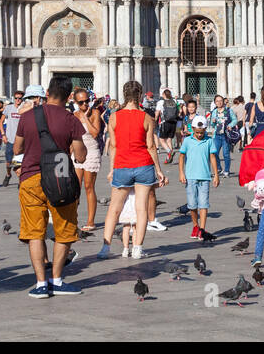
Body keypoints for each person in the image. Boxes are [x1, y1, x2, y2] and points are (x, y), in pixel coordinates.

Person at [13, 76, 87, 297]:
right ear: (69, 97)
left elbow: (17, 148)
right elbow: (81, 156)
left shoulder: (27, 117)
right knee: (64, 231)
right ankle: (57, 280)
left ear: (47, 92)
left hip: (30, 179)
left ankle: (40, 284)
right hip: (60, 177)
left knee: (34, 233)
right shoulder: (71, 119)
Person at [99, 81, 168, 260]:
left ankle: (105, 248)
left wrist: (111, 169)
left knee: (114, 208)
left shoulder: (114, 117)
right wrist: (159, 170)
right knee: (141, 209)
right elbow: (151, 146)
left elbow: (113, 146)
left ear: (124, 94)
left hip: (122, 165)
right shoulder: (146, 117)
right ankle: (137, 248)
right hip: (143, 165)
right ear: (140, 95)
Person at [179, 114, 220, 239]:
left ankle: (202, 229)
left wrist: (216, 175)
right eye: (197, 132)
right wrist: (181, 172)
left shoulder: (209, 140)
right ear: (192, 129)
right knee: (192, 205)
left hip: (205, 177)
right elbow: (181, 156)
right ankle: (195, 225)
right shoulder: (187, 141)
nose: (199, 135)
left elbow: (213, 157)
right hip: (190, 176)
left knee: (203, 204)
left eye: (202, 132)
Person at [71, 88, 102, 232]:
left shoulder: (95, 113)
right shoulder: (73, 115)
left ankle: (91, 221)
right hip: (77, 151)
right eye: (81, 102)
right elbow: (71, 138)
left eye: (87, 101)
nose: (85, 104)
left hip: (91, 151)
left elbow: (95, 133)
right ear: (75, 102)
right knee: (75, 187)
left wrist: (85, 119)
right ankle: (73, 220)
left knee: (89, 186)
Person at [1, 88, 29, 186]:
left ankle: (20, 181)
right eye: (16, 98)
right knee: (8, 162)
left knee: (20, 162)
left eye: (20, 98)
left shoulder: (25, 109)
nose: (18, 100)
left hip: (21, 141)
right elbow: (1, 122)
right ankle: (8, 175)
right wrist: (3, 135)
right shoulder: (9, 108)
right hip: (10, 139)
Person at [206, 95, 234, 177]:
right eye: (217, 101)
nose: (219, 102)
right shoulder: (214, 112)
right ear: (215, 102)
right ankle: (219, 168)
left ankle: (227, 170)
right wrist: (213, 121)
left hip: (225, 135)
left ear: (223, 101)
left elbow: (234, 120)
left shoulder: (228, 110)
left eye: (220, 100)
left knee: (226, 154)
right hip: (217, 135)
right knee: (214, 153)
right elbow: (211, 123)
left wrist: (230, 125)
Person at [155, 89, 181, 162]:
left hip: (165, 122)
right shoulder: (175, 101)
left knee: (161, 140)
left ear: (164, 94)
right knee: (169, 140)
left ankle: (169, 152)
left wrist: (155, 121)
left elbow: (157, 113)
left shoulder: (161, 102)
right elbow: (178, 112)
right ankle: (168, 158)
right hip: (173, 122)